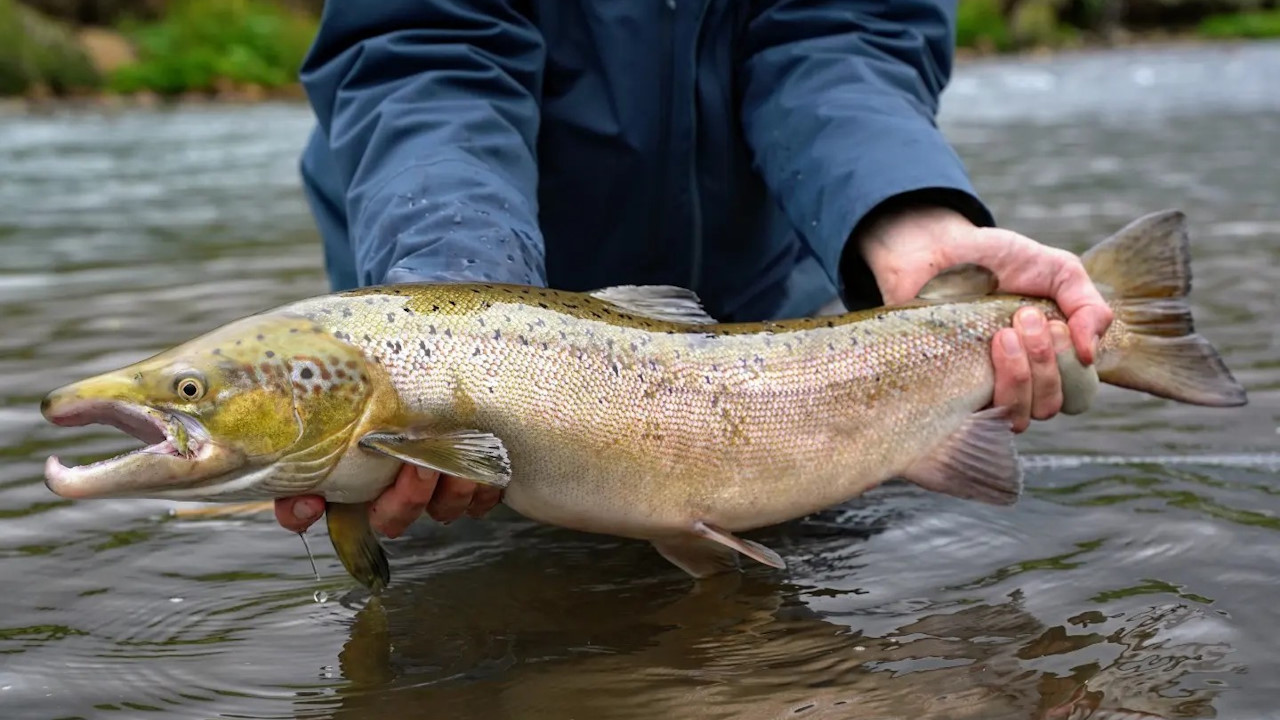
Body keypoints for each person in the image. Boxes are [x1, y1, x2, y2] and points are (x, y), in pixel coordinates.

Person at [274, 0, 1113, 538]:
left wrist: (904, 217)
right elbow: (427, 51)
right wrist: (451, 303)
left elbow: (840, 36)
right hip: (439, 288)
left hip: (753, 331)